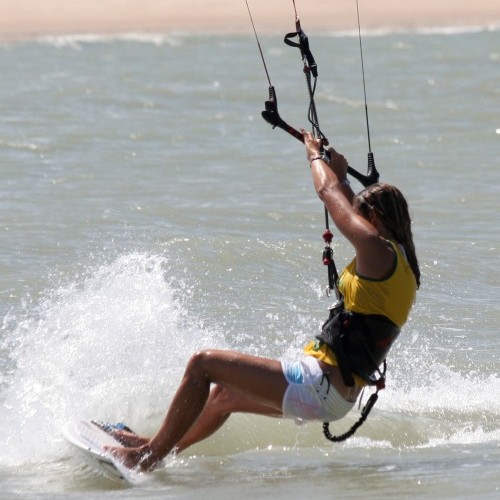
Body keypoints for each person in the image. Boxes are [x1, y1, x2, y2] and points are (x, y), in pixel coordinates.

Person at [105, 130, 420, 471]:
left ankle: (144, 459)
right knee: (223, 396)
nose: (355, 221)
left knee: (202, 364)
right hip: (336, 395)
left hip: (320, 384)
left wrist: (313, 155)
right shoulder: (402, 265)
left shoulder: (376, 250)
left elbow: (328, 193)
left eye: (362, 216)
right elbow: (342, 196)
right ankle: (161, 446)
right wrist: (342, 176)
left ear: (376, 220)